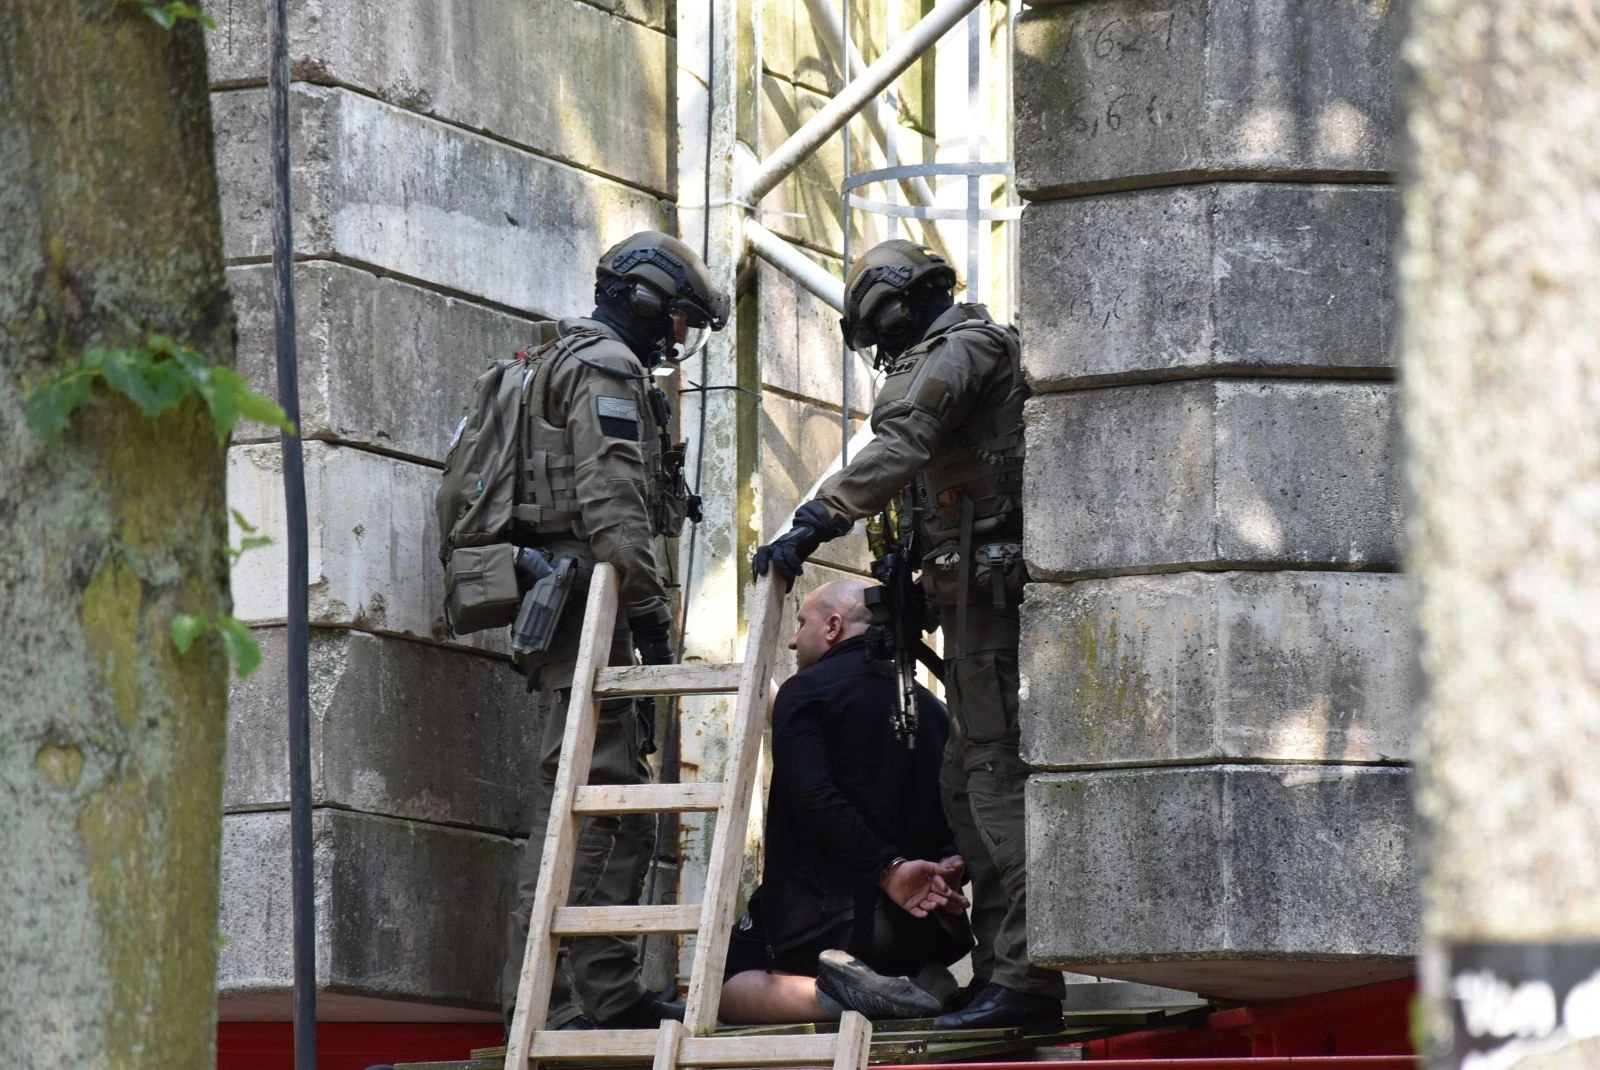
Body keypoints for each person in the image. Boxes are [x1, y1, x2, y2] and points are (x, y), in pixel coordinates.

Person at [751, 240, 1065, 1031]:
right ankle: (1000, 969)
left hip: (988, 613)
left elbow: (905, 440)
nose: (883, 348)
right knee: (967, 783)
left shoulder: (962, 347)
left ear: (897, 302)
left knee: (992, 780)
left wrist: (816, 519)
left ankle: (1025, 981)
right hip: (965, 605)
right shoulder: (962, 354)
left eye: (879, 329)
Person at [497, 231, 728, 1031]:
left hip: (579, 607)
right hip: (588, 610)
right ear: (642, 301)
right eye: (677, 322)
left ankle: (603, 995)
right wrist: (653, 620)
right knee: (591, 805)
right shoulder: (603, 366)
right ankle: (560, 1006)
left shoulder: (561, 356)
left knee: (609, 797)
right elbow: (614, 513)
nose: (677, 342)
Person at [720, 579, 973, 1025]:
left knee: (725, 984)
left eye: (802, 623)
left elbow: (814, 798)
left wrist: (887, 869)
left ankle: (857, 1000)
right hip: (927, 924)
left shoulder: (806, 692)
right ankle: (913, 981)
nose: (795, 639)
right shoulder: (933, 707)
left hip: (829, 926)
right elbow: (962, 808)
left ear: (833, 626)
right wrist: (952, 863)